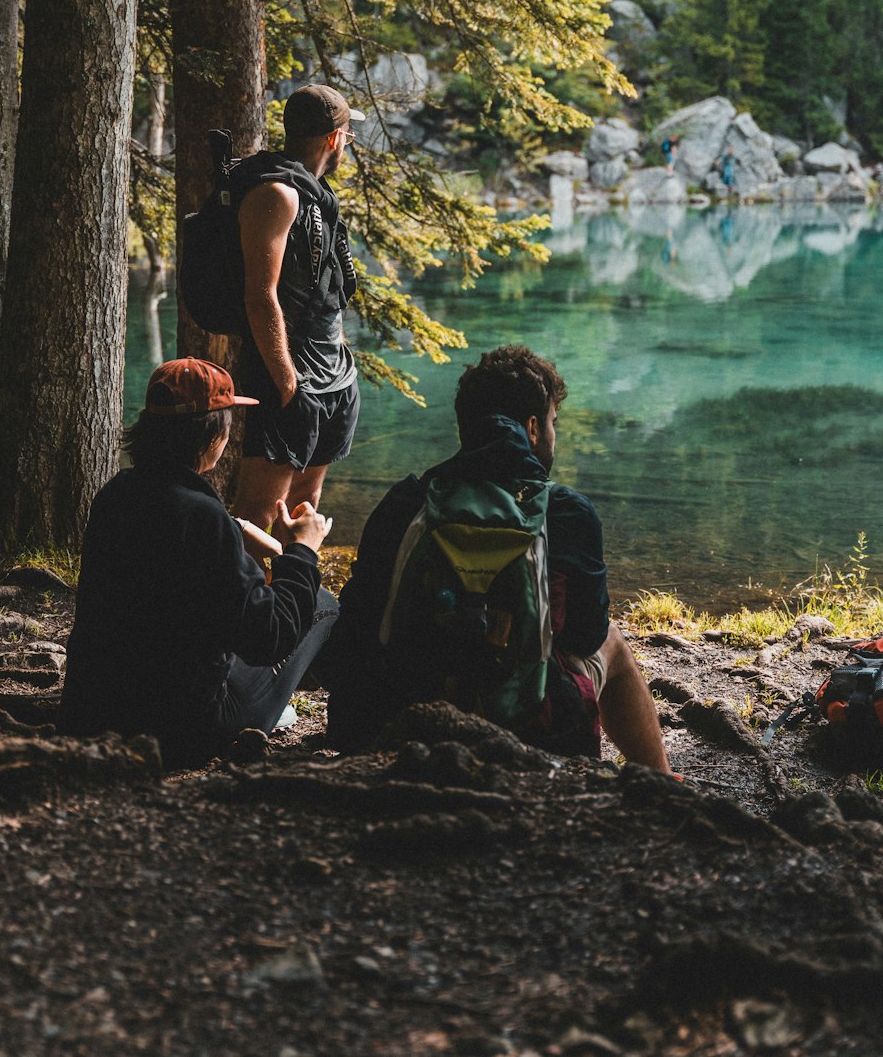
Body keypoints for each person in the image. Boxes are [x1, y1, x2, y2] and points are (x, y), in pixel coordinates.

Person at [320, 345, 670, 772]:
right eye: (553, 423)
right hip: (533, 730)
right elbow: (585, 635)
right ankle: (663, 783)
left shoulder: (406, 501)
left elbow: (357, 625)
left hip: (395, 721)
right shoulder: (565, 511)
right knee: (613, 641)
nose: (554, 434)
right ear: (532, 428)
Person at [58, 358, 338, 769]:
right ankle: (347, 719)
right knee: (324, 603)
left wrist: (233, 528)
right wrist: (302, 551)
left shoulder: (116, 496)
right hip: (182, 732)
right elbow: (268, 638)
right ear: (212, 436)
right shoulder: (202, 519)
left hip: (92, 716)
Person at [232, 83, 364, 535]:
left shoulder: (317, 196)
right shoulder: (278, 195)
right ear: (334, 138)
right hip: (290, 378)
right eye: (348, 133)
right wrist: (288, 386)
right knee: (259, 513)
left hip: (332, 376)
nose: (348, 142)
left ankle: (293, 597)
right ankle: (247, 603)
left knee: (305, 505)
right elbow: (260, 296)